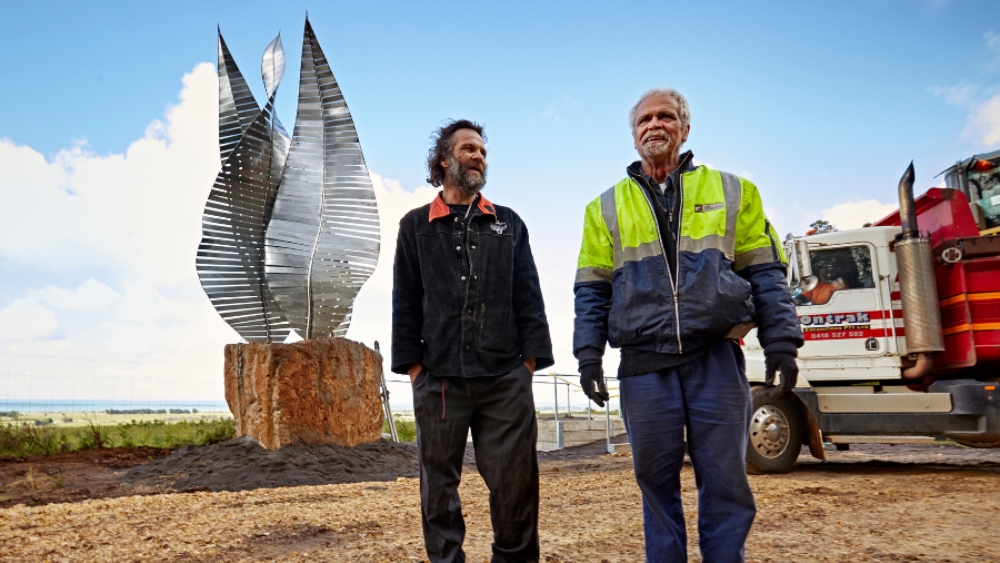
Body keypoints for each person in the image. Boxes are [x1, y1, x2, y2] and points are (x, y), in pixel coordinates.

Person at [573, 89, 803, 563]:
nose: (654, 125)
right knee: (655, 485)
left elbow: (766, 273)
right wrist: (588, 355)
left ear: (685, 128)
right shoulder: (604, 208)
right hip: (644, 367)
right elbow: (591, 289)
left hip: (715, 360)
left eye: (666, 116)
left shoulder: (734, 191)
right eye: (644, 119)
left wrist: (781, 342)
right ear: (634, 134)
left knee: (725, 481)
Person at [392, 120, 554, 563]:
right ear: (444, 159)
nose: (478, 155)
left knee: (515, 483)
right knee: (439, 487)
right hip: (439, 379)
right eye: (467, 148)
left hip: (505, 380)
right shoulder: (415, 227)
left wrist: (528, 367)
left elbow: (529, 297)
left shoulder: (508, 224)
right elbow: (405, 302)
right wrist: (415, 370)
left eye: (481, 149)